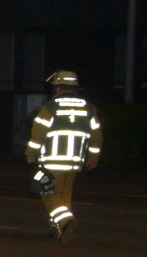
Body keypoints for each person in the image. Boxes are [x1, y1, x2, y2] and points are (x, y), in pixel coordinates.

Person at [26, 69, 102, 240]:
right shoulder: (89, 108)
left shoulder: (50, 107)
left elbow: (38, 134)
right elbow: (96, 135)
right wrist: (93, 156)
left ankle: (66, 220)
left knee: (48, 192)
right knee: (63, 195)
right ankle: (57, 229)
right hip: (75, 162)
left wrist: (31, 153)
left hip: (53, 161)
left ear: (58, 88)